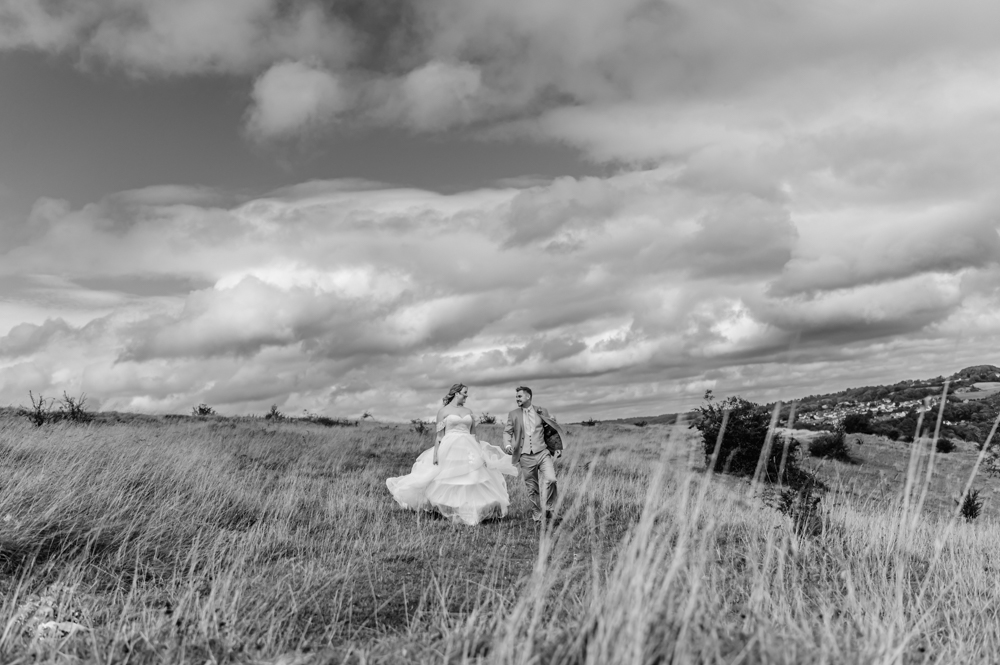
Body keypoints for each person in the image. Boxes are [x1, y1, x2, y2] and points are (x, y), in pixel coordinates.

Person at [386, 383, 518, 525]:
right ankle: (449, 508)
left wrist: (481, 453)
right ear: (456, 393)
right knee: (447, 478)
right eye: (464, 393)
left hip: (469, 446)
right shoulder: (443, 412)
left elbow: (474, 434)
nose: (466, 395)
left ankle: (472, 511)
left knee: (472, 478)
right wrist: (436, 453)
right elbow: (439, 436)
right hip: (449, 446)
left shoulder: (469, 411)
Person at [503, 386, 566, 523]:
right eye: (516, 397)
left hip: (542, 452)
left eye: (519, 396)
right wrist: (508, 444)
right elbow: (507, 432)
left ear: (528, 397)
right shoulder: (513, 414)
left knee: (551, 479)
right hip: (525, 456)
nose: (517, 399)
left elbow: (550, 430)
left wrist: (557, 447)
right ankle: (537, 516)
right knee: (533, 488)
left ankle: (549, 509)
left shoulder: (542, 411)